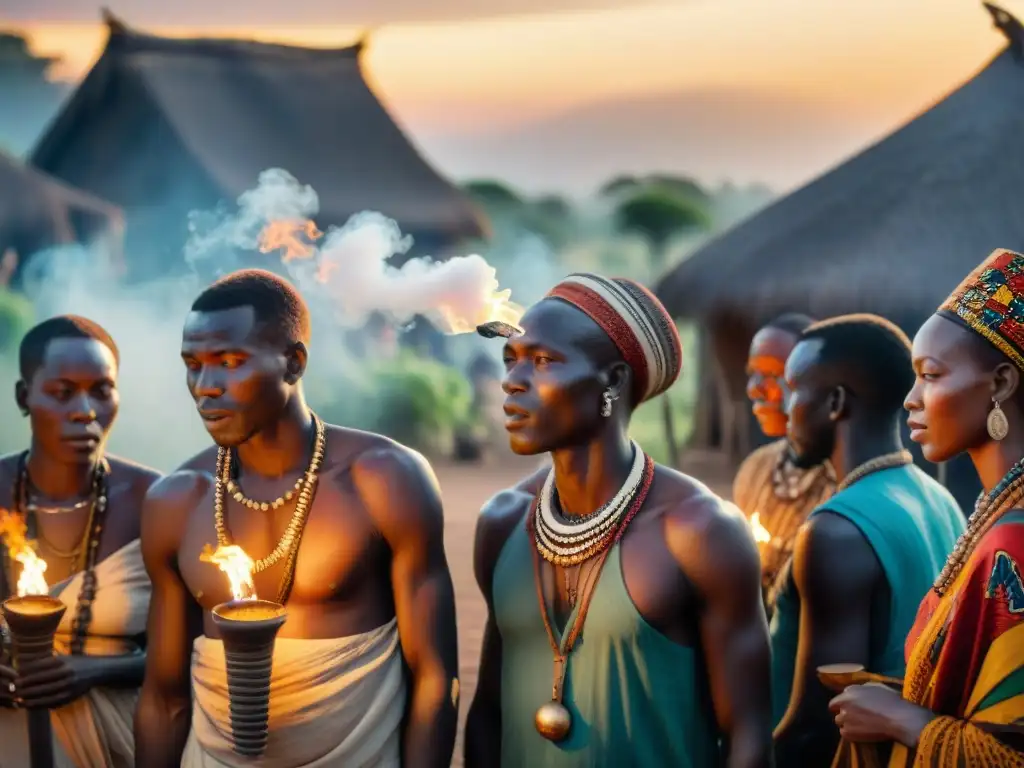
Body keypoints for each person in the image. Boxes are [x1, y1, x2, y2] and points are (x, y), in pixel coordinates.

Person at [133, 269, 459, 768]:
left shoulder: (384, 480)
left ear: (293, 363)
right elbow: (163, 697)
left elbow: (436, 679)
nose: (205, 387)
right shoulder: (176, 501)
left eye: (229, 361)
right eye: (193, 365)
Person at [465, 273, 772, 768]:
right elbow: (488, 713)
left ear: (612, 380)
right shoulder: (502, 522)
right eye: (511, 360)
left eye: (543, 361)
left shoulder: (699, 532)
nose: (513, 381)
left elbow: (749, 740)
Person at [830, 248, 1024, 766]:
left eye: (931, 375)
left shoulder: (1013, 543)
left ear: (1001, 384)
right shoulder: (994, 514)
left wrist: (901, 720)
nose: (911, 399)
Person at [771, 314, 965, 767]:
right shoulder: (937, 496)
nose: (784, 408)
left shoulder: (836, 531)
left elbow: (816, 726)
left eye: (793, 388)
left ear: (836, 401)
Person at [0, 315, 160, 767]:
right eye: (63, 392)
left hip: (118, 743)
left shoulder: (157, 500)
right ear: (23, 396)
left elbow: (194, 651)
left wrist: (97, 670)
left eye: (102, 390)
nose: (85, 410)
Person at [733, 313, 835, 610]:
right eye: (752, 374)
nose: (754, 389)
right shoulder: (756, 469)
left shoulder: (845, 480)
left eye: (772, 375)